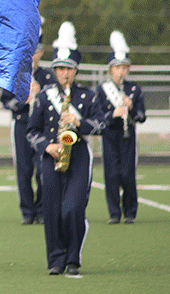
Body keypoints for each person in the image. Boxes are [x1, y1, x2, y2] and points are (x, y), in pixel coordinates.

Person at [27, 21, 105, 276]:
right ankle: (56, 260)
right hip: (52, 157)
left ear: (76, 70)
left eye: (69, 69)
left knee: (72, 207)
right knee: (51, 211)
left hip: (79, 155)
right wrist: (46, 146)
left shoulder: (87, 96)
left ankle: (73, 257)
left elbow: (101, 124)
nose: (64, 74)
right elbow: (31, 132)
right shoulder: (44, 96)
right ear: (55, 70)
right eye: (60, 69)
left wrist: (78, 122)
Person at [0, 24, 55, 224]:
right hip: (22, 125)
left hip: (41, 127)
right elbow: (6, 101)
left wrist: (40, 93)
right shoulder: (15, 73)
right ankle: (27, 212)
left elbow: (54, 103)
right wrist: (23, 98)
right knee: (23, 170)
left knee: (43, 168)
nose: (33, 55)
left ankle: (41, 210)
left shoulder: (48, 75)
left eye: (37, 51)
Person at [96, 31, 146, 224]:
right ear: (111, 70)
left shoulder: (134, 89)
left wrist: (131, 108)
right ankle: (114, 213)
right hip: (110, 135)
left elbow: (142, 116)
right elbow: (98, 116)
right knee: (111, 175)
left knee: (127, 174)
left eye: (124, 67)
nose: (121, 72)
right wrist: (112, 115)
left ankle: (130, 212)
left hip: (128, 135)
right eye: (117, 68)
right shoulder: (102, 90)